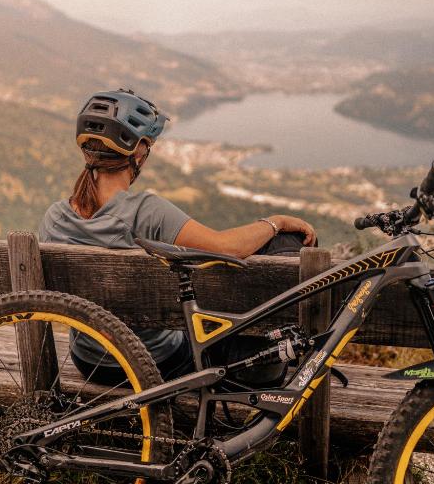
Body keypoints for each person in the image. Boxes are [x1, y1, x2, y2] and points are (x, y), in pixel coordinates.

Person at [39, 88, 317, 385]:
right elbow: (228, 248)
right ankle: (272, 373)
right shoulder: (147, 211)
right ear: (139, 150)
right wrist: (277, 222)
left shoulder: (54, 217)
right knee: (284, 245)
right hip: (156, 360)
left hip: (89, 360)